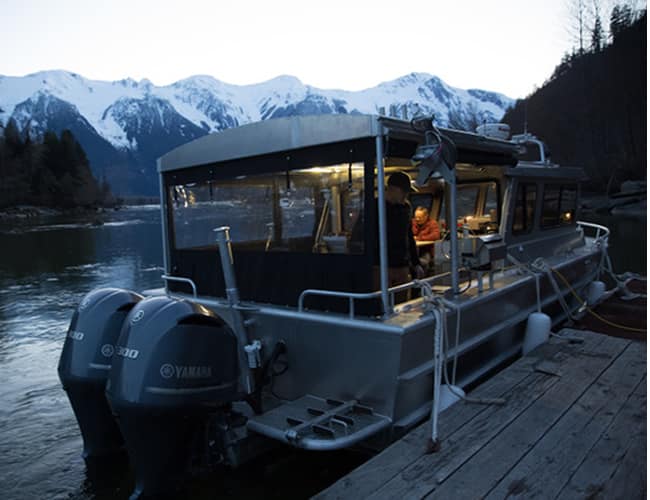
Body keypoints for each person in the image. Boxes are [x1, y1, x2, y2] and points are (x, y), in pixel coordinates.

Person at [371, 171, 425, 292]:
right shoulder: (374, 207)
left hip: (402, 264)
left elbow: (408, 236)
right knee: (381, 299)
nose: (406, 196)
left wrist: (416, 263)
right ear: (392, 189)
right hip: (380, 265)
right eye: (403, 192)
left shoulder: (405, 208)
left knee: (402, 300)